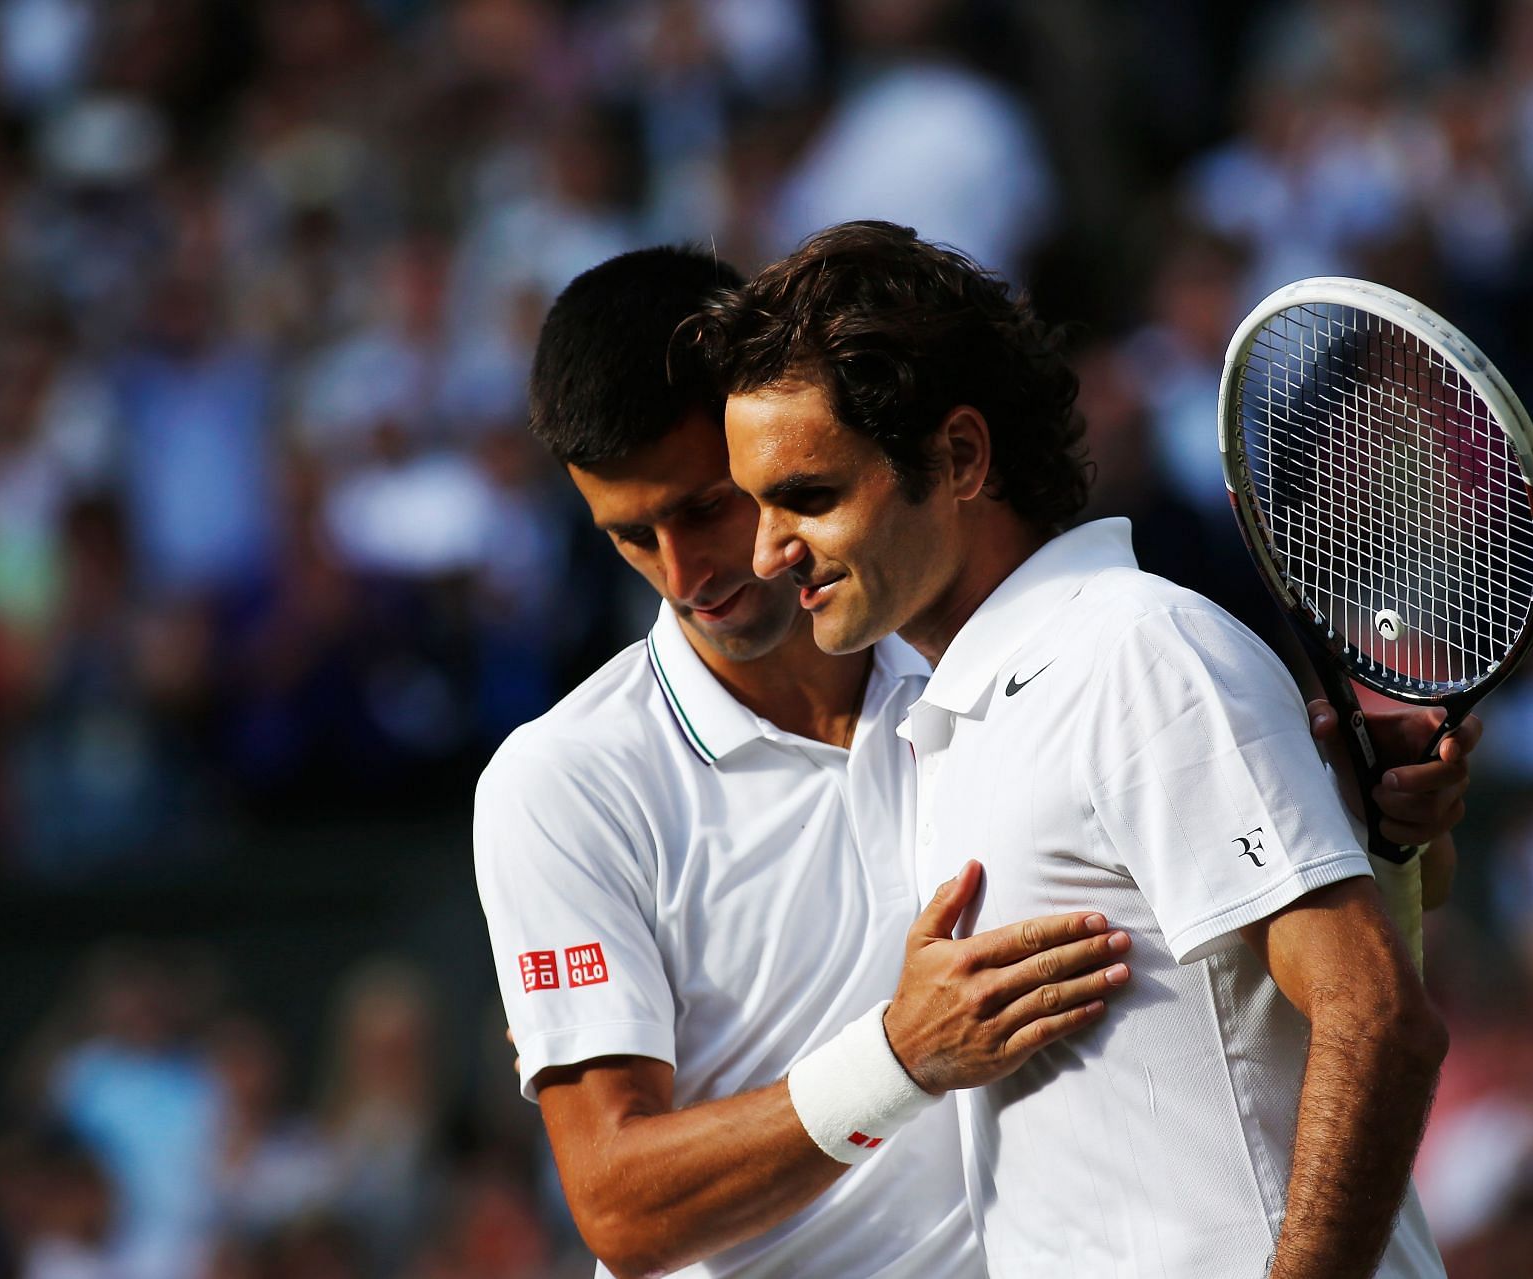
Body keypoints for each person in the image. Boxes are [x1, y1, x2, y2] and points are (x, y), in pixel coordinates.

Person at [478, 246, 1475, 1279]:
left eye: (725, 502)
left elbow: (1365, 1008)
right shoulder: (572, 781)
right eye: (631, 536)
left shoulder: (1087, 657)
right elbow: (619, 1208)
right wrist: (900, 1055)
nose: (699, 571)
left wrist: (1391, 837)